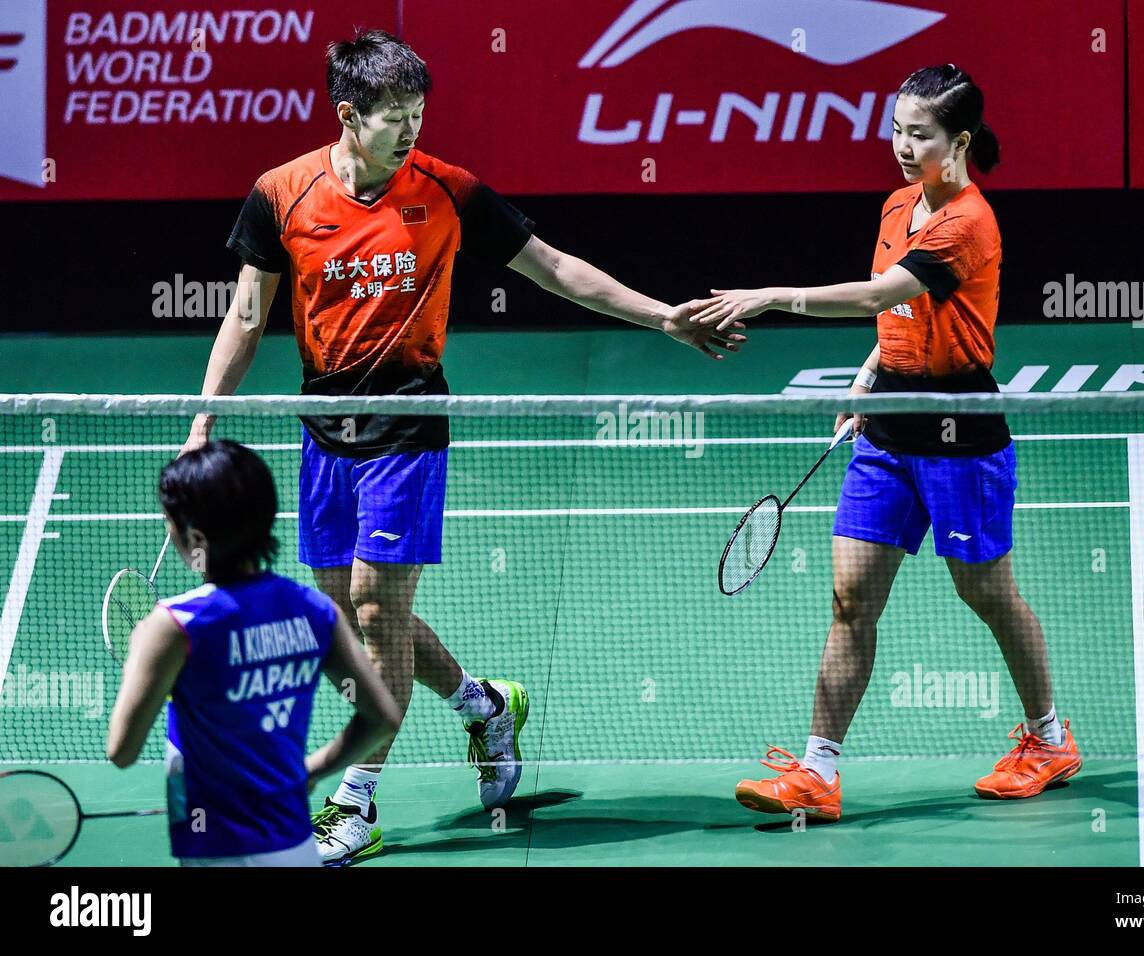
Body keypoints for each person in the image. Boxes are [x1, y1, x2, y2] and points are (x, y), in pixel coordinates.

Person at [181, 29, 745, 863]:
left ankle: (357, 802)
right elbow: (245, 315)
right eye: (393, 118)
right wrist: (203, 417)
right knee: (356, 614)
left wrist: (662, 316)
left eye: (418, 114)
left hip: (408, 423)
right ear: (348, 115)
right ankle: (484, 705)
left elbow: (554, 268)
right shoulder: (281, 194)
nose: (410, 131)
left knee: (374, 610)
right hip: (324, 430)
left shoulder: (447, 191)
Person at [690, 65, 1082, 822]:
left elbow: (877, 293)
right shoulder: (897, 204)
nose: (902, 146)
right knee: (850, 598)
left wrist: (770, 295)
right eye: (897, 129)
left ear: (959, 141)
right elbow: (893, 317)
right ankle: (818, 771)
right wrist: (868, 379)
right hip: (890, 430)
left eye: (920, 134)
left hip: (960, 431)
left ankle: (1048, 740)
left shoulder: (967, 222)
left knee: (986, 593)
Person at [107, 440, 402, 865]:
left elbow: (122, 751)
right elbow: (381, 717)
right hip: (295, 848)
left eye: (168, 521)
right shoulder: (315, 610)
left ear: (195, 537)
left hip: (217, 849)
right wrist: (308, 772)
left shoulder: (170, 626)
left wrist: (150, 668)